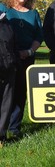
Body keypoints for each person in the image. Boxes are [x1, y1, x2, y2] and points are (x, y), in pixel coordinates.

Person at [0, 0, 43, 138]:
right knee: (4, 94)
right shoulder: (4, 8)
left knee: (19, 94)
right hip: (6, 59)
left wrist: (29, 51)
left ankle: (14, 128)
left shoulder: (34, 13)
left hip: (25, 59)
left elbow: (39, 36)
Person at [0, 11, 17, 148]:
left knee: (6, 104)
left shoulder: (5, 20)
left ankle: (1, 136)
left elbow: (12, 43)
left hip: (8, 68)